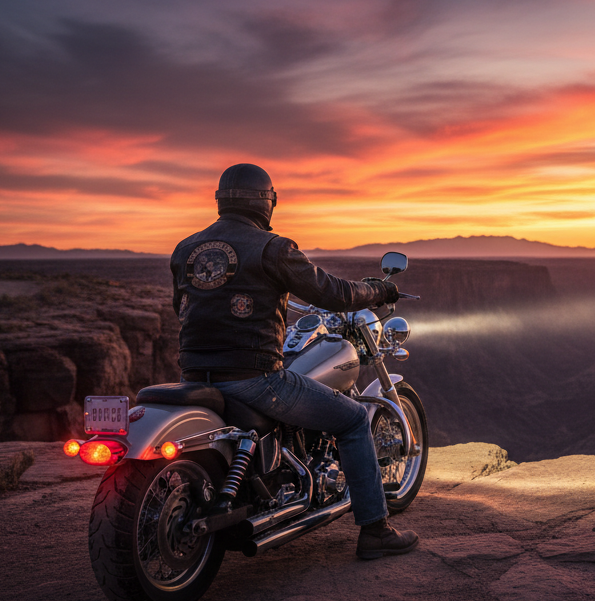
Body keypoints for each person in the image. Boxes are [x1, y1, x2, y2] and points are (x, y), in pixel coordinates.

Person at [170, 163, 419, 560]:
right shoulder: (273, 248)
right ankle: (375, 530)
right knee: (354, 419)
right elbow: (332, 292)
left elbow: (182, 308)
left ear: (221, 200)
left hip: (195, 373)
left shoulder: (186, 249)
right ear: (267, 201)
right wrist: (377, 290)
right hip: (254, 378)